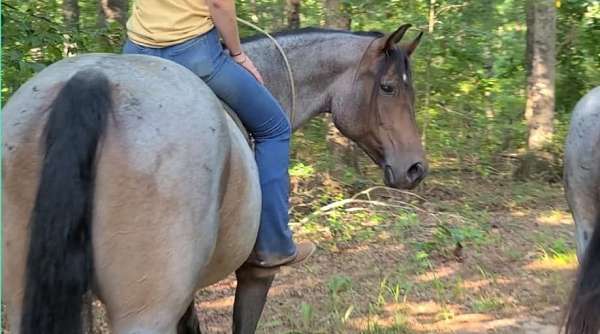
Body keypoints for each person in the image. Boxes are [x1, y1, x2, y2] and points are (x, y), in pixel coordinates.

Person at [123, 0, 315, 268]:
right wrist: (238, 54)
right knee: (274, 129)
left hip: (136, 54)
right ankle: (274, 245)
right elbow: (219, 4)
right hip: (193, 53)